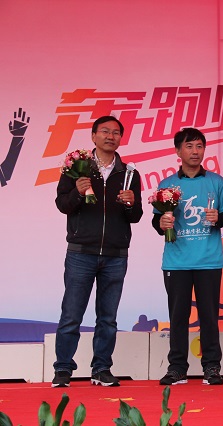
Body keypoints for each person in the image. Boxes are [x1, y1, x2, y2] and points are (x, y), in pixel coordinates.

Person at [52, 115, 143, 387]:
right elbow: (62, 205)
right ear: (93, 136)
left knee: (108, 318)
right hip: (81, 252)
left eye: (115, 132)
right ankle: (63, 369)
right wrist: (78, 192)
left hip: (116, 254)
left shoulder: (129, 174)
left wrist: (131, 203)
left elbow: (136, 216)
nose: (110, 136)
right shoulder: (76, 168)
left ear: (121, 138)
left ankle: (101, 368)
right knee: (71, 315)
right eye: (104, 131)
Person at [152, 127, 223, 386]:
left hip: (209, 260)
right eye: (189, 146)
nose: (195, 151)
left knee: (209, 316)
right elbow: (157, 221)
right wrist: (162, 223)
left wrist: (218, 218)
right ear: (178, 151)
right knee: (178, 317)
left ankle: (212, 367)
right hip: (176, 261)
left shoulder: (216, 182)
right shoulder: (167, 185)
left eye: (199, 146)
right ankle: (177, 368)